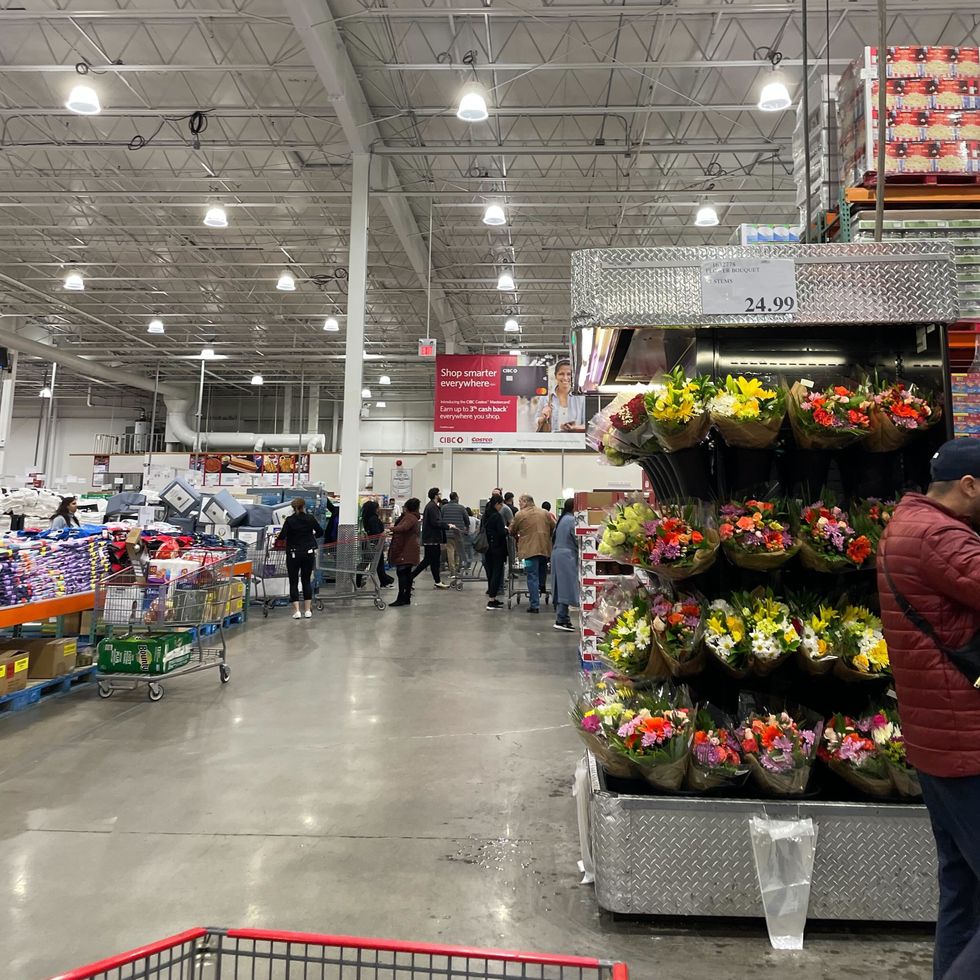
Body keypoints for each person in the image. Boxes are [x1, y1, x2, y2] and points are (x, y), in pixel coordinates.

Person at [877, 438, 980, 980]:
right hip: (965, 741)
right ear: (969, 486)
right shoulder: (941, 537)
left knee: (962, 889)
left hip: (938, 739)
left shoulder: (908, 524)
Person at [275, 497, 324, 620]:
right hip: (308, 553)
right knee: (306, 581)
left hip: (293, 554)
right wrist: (311, 535)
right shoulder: (310, 518)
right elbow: (320, 532)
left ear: (293, 508)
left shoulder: (289, 520)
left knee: (293, 582)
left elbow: (282, 536)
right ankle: (307, 610)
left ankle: (297, 611)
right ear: (304, 507)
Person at [509, 493, 553, 615]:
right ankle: (542, 586)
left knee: (531, 575)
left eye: (520, 502)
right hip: (544, 549)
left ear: (525, 502)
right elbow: (553, 526)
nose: (519, 504)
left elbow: (512, 530)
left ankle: (534, 604)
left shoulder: (520, 514)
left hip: (528, 552)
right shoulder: (545, 513)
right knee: (542, 570)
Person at [412, 487, 449, 589]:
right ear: (435, 495)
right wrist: (447, 526)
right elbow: (435, 522)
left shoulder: (431, 506)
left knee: (434, 561)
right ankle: (410, 577)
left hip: (432, 538)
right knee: (428, 560)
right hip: (432, 538)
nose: (440, 495)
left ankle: (437, 581)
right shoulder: (432, 507)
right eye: (439, 494)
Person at [536, 359, 586, 433]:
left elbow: (586, 425)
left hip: (574, 439)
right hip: (551, 439)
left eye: (569, 374)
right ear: (555, 376)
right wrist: (543, 417)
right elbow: (536, 420)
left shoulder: (581, 398)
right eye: (561, 374)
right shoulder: (545, 398)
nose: (565, 378)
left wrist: (574, 428)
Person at [551, 499, 578, 632]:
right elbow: (578, 538)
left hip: (558, 554)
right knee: (566, 587)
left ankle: (562, 617)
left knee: (560, 586)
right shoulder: (572, 520)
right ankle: (562, 618)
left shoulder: (562, 519)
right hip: (567, 556)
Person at [389, 497, 421, 607]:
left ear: (407, 508)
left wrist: (390, 529)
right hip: (410, 549)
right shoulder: (413, 517)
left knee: (402, 572)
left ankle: (401, 598)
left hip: (405, 550)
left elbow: (403, 528)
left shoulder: (409, 518)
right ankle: (406, 597)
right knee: (406, 574)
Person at [360, 500, 393, 588]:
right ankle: (384, 582)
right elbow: (376, 533)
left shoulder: (367, 518)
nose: (379, 509)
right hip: (375, 545)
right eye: (378, 508)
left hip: (370, 545)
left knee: (369, 562)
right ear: (374, 509)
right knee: (378, 563)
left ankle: (384, 581)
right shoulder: (373, 519)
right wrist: (384, 533)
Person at [483, 494, 508, 610]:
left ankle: (492, 598)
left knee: (491, 573)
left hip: (487, 548)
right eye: (501, 504)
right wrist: (507, 530)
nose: (501, 507)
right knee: (496, 574)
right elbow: (501, 533)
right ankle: (491, 600)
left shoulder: (486, 515)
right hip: (497, 548)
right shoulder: (497, 516)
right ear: (497, 504)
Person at [440, 491, 470, 578]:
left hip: (448, 533)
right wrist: (466, 528)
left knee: (450, 552)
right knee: (458, 552)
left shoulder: (444, 508)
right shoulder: (461, 508)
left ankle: (452, 571)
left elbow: (440, 520)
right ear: (456, 498)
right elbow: (467, 520)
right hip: (458, 533)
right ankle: (457, 569)